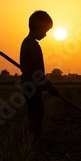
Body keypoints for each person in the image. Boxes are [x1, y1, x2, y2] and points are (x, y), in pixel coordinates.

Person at [20, 10, 59, 140]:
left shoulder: (27, 43)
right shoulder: (32, 45)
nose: (45, 35)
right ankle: (33, 139)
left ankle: (33, 138)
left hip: (28, 83)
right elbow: (36, 72)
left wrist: (47, 85)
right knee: (36, 112)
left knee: (36, 111)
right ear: (38, 27)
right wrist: (50, 86)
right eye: (45, 31)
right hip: (31, 84)